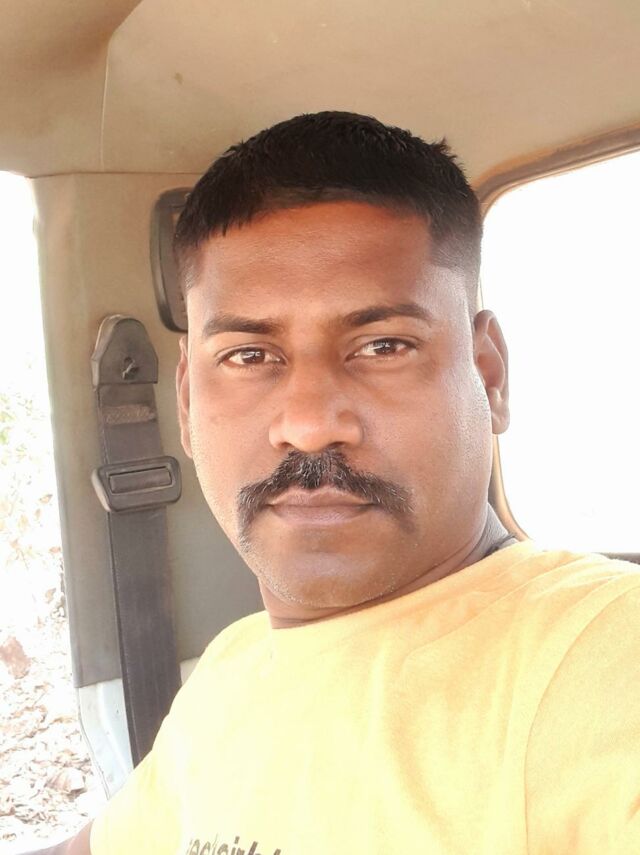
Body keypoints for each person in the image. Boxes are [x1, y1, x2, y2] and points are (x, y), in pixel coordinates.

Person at [28, 112, 640, 855]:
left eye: (383, 346)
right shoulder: (234, 668)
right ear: (186, 404)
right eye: (249, 356)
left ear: (489, 376)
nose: (310, 424)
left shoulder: (603, 656)